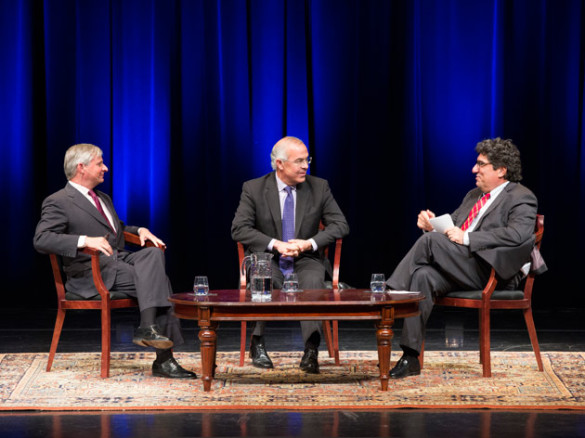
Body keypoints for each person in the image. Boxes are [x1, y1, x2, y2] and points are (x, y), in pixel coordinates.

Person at [386, 137, 545, 379]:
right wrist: (432, 226)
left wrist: (469, 239)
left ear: (501, 170)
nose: (474, 169)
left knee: (430, 244)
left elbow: (519, 234)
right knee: (422, 275)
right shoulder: (474, 195)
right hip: (464, 266)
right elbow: (455, 229)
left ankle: (390, 294)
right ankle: (411, 357)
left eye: (481, 164)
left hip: (493, 273)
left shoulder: (521, 196)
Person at [33, 143, 196, 379]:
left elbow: (115, 229)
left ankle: (148, 329)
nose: (105, 168)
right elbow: (42, 239)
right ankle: (163, 358)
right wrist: (84, 240)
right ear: (81, 168)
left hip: (119, 262)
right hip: (92, 272)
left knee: (153, 253)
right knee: (160, 281)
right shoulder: (59, 201)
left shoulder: (102, 198)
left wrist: (139, 230)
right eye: (100, 163)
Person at [231, 136, 350, 374]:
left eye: (307, 160)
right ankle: (257, 344)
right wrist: (276, 244)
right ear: (280, 164)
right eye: (299, 161)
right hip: (269, 259)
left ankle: (311, 349)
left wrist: (309, 243)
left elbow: (340, 225)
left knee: (313, 280)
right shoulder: (253, 188)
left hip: (306, 259)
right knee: (261, 276)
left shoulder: (319, 187)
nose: (306, 166)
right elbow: (239, 229)